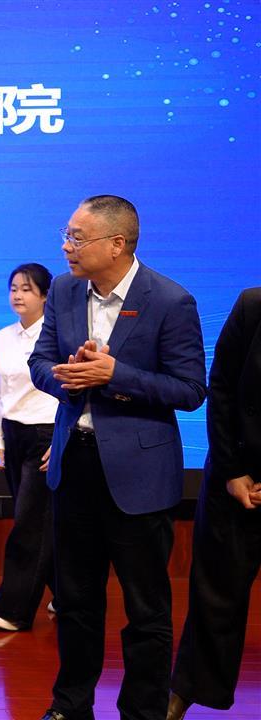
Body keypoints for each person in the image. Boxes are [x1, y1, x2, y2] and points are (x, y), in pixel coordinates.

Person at [28, 195, 206, 720]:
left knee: (145, 608)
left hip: (140, 477)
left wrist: (114, 376)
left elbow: (190, 389)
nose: (66, 246)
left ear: (117, 244)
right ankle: (70, 705)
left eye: (77, 237)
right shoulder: (64, 290)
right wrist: (67, 377)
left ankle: (143, 711)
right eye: (66, 235)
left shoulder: (170, 300)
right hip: (74, 467)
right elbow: (40, 361)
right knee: (75, 601)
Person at [167, 287, 261, 720]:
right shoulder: (252, 306)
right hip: (234, 474)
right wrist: (231, 471)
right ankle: (184, 694)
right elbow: (221, 388)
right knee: (215, 595)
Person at [0, 262, 59, 632]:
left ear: (45, 296)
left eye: (27, 289)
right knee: (39, 522)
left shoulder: (59, 337)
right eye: (14, 288)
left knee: (28, 524)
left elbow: (70, 391)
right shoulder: (2, 337)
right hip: (13, 434)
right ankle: (67, 592)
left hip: (47, 435)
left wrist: (61, 441)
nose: (17, 295)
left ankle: (14, 609)